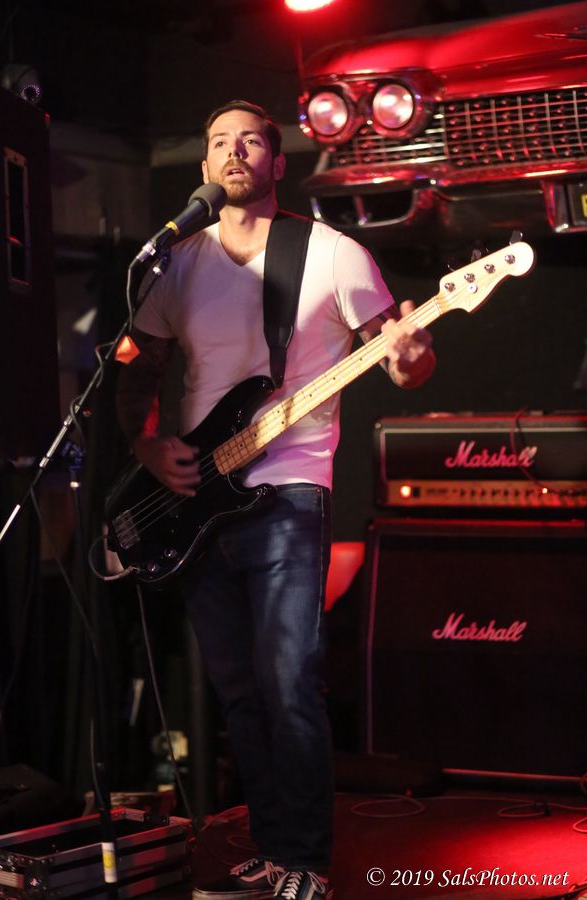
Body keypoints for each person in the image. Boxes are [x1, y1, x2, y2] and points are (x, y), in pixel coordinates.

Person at [115, 100, 435, 900]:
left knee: (289, 679)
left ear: (277, 161)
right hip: (198, 501)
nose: (233, 152)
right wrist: (146, 444)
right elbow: (136, 368)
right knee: (238, 690)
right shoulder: (178, 263)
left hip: (290, 487)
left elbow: (400, 361)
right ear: (203, 166)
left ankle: (308, 862)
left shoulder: (332, 255)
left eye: (250, 141)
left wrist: (411, 356)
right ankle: (270, 846)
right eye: (218, 142)